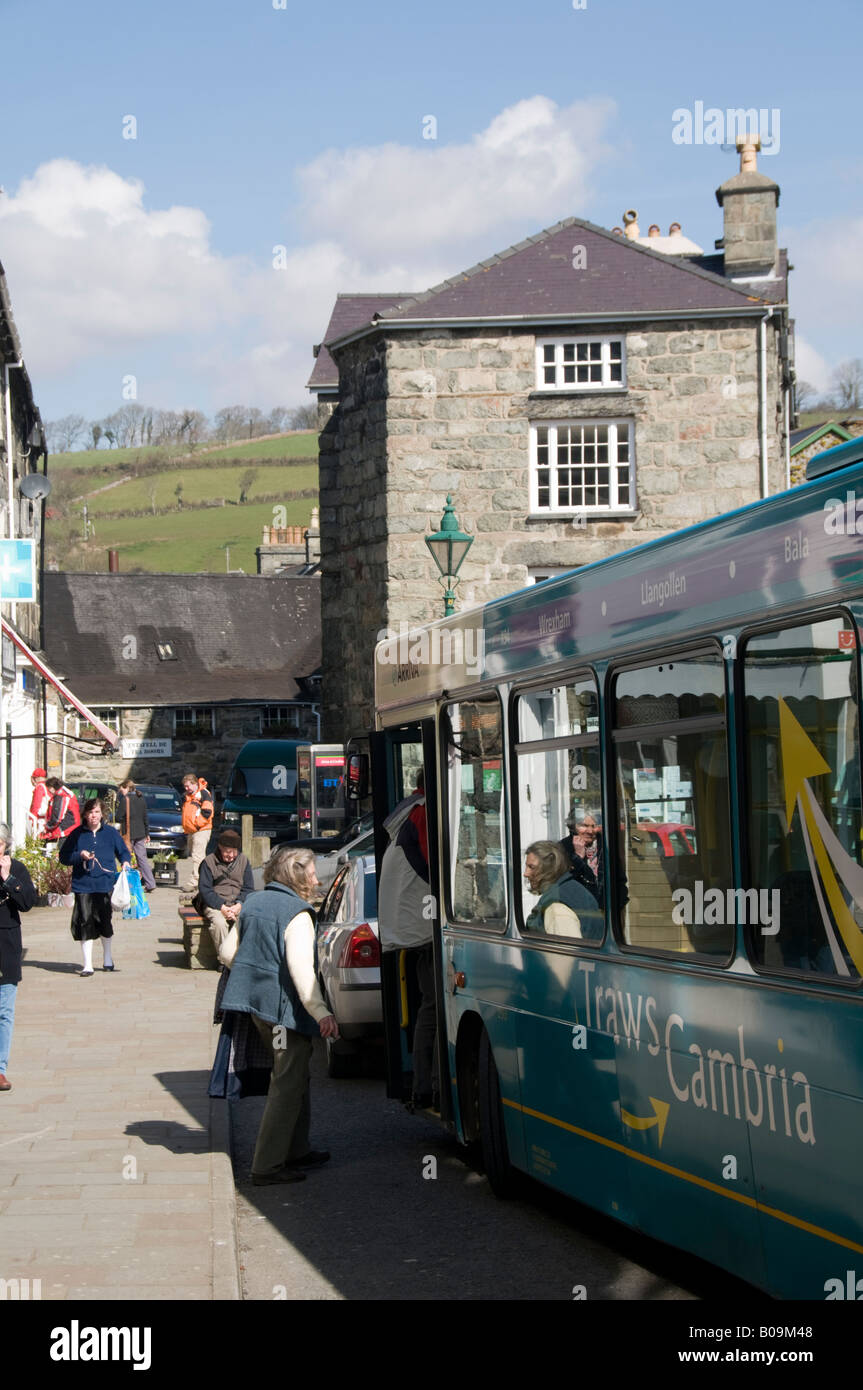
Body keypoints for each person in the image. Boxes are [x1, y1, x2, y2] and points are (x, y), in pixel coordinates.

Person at [219, 845, 338, 1186]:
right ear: (298, 877)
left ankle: (297, 1149)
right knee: (286, 1083)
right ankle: (267, 1166)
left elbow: (229, 953)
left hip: (254, 1005)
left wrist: (257, 972)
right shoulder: (298, 914)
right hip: (284, 1010)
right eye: (313, 873)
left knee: (295, 1075)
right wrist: (322, 1013)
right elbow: (302, 972)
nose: (317, 879)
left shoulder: (253, 902)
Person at [377, 769, 437, 1109]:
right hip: (424, 926)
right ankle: (427, 1086)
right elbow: (435, 866)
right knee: (433, 1007)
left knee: (429, 1005)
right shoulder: (423, 812)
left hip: (413, 925)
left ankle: (425, 1085)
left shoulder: (407, 810)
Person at [59, 798, 132, 976]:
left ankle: (108, 958)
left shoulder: (110, 833)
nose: (94, 816)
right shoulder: (77, 834)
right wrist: (80, 856)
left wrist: (125, 862)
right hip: (83, 884)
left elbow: (123, 851)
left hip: (105, 883)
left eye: (97, 812)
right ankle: (87, 964)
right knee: (85, 921)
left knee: (104, 920)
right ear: (85, 814)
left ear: (102, 814)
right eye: (91, 812)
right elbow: (64, 856)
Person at [0, 823, 38, 1091]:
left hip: (6, 948)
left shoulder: (17, 869)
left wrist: (7, 878)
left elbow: (27, 903)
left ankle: (0, 1070)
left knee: (4, 1012)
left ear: (5, 845)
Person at [523, 840, 603, 939]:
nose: (525, 873)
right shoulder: (571, 888)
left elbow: (567, 953)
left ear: (549, 868)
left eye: (532, 867)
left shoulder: (556, 907)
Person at [196, 829, 254, 953]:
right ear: (220, 848)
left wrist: (239, 905)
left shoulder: (244, 860)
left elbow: (248, 888)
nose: (231, 855)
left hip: (237, 904)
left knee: (251, 920)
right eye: (228, 852)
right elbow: (205, 890)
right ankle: (224, 959)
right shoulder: (209, 862)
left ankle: (244, 958)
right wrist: (222, 907)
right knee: (219, 924)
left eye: (234, 852)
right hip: (216, 904)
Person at [117, 779, 156, 893]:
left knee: (126, 857)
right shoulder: (141, 798)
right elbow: (145, 817)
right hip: (141, 832)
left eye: (122, 790)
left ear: (126, 788)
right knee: (142, 859)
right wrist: (147, 833)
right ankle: (150, 883)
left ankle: (127, 883)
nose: (121, 792)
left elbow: (119, 817)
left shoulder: (125, 800)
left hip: (128, 834)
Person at [559, 808, 604, 906]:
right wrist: (578, 857)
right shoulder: (562, 848)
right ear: (573, 827)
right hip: (578, 908)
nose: (590, 831)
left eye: (594, 826)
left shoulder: (606, 845)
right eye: (584, 826)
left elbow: (620, 881)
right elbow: (564, 883)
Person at [180, 772, 214, 892]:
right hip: (192, 830)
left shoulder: (204, 794)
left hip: (201, 830)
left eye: (188, 786)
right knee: (195, 856)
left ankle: (194, 882)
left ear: (195, 784)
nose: (186, 788)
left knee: (197, 856)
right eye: (185, 786)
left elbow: (207, 812)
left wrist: (197, 825)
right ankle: (204, 879)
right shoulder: (188, 796)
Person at [41, 777, 82, 843]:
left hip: (65, 830)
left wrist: (47, 827)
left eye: (48, 789)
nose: (48, 791)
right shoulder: (65, 793)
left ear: (51, 787)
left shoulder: (61, 796)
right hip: (71, 828)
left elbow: (57, 817)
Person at [27, 768, 51, 838]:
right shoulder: (48, 786)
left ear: (35, 778)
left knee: (39, 839)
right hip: (48, 819)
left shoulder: (39, 787)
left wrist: (32, 820)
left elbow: (36, 805)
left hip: (41, 820)